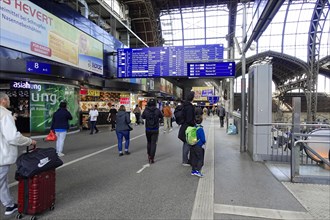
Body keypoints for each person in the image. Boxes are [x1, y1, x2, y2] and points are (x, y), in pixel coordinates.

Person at [0, 92, 37, 216]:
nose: (9, 101)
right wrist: (29, 141)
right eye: (8, 99)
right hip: (2, 155)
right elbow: (12, 137)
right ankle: (9, 205)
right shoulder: (5, 115)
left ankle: (9, 205)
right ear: (3, 100)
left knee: (2, 181)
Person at [141, 99, 163, 164]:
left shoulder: (146, 110)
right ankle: (152, 158)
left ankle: (149, 154)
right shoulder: (157, 110)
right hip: (155, 129)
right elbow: (162, 116)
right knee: (154, 143)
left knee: (149, 142)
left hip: (148, 129)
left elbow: (142, 117)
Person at [178, 91, 196, 166]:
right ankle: (185, 161)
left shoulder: (184, 105)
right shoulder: (189, 107)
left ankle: (185, 159)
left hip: (183, 126)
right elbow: (189, 119)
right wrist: (194, 124)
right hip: (188, 127)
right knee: (187, 143)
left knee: (186, 143)